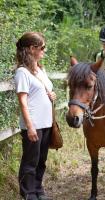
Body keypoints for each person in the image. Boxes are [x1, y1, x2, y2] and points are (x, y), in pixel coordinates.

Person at [14, 32, 56, 200]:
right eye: (42, 48)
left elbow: (43, 91)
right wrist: (30, 126)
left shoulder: (39, 69)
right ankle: (28, 193)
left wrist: (52, 94)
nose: (44, 51)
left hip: (46, 123)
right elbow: (23, 102)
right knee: (30, 161)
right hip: (34, 124)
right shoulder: (22, 72)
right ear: (32, 49)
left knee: (41, 160)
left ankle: (38, 189)